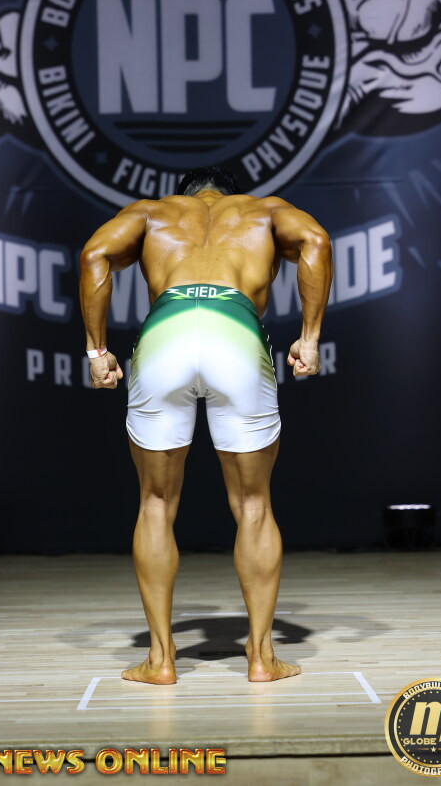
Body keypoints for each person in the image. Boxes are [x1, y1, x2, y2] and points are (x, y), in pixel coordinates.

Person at [79, 166, 333, 685]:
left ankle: (160, 660)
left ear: (185, 196)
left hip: (165, 334)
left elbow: (94, 255)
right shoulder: (263, 210)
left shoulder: (153, 213)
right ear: (234, 195)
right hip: (234, 333)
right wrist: (309, 338)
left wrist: (96, 350)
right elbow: (317, 240)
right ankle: (262, 658)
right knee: (254, 505)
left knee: (155, 502)